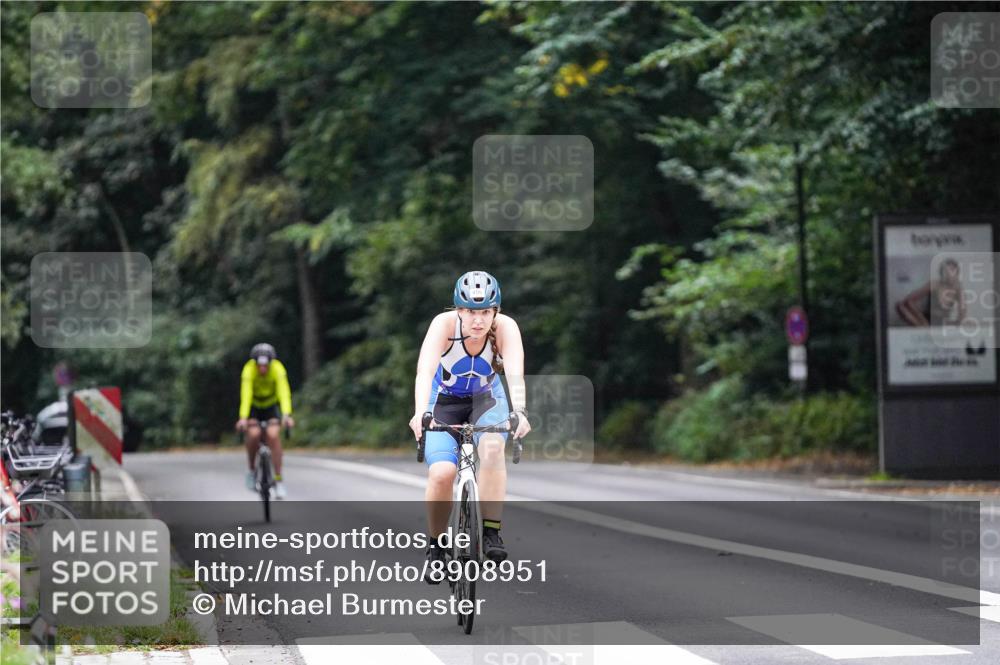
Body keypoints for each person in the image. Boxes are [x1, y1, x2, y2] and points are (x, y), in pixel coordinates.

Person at [409, 271, 531, 584]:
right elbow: (425, 371)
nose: (478, 320)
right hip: (443, 400)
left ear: (495, 311)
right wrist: (421, 412)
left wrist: (519, 411)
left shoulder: (506, 328)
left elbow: (514, 374)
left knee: (491, 450)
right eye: (471, 312)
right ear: (459, 310)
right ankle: (436, 547)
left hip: (487, 399)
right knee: (442, 473)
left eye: (486, 312)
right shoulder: (443, 325)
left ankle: (491, 532)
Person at [236, 343, 294, 499]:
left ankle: (278, 480)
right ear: (254, 363)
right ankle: (251, 470)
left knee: (273, 435)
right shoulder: (249, 370)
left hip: (270, 406)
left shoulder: (277, 369)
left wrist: (286, 415)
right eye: (259, 365)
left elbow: (284, 393)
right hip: (254, 407)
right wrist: (243, 418)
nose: (262, 369)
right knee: (254, 434)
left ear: (270, 363)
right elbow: (246, 395)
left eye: (265, 365)